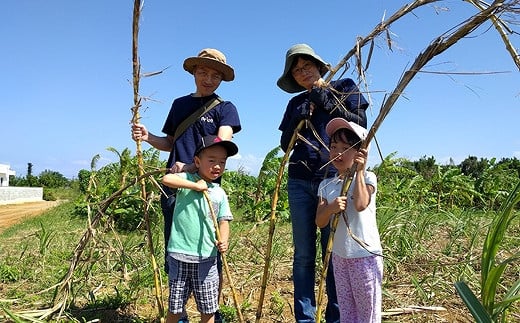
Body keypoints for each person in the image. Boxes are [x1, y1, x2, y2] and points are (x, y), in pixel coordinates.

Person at [132, 48, 241, 323]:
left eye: (215, 75)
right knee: (176, 248)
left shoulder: (225, 108)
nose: (208, 78)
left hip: (207, 191)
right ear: (194, 72)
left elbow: (221, 143)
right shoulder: (179, 105)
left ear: (221, 80)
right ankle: (178, 314)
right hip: (174, 187)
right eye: (203, 72)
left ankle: (209, 312)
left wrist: (193, 168)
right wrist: (148, 137)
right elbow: (170, 143)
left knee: (210, 251)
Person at [277, 43, 368, 323]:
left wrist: (322, 97)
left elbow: (360, 124)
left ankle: (337, 316)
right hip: (301, 180)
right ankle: (305, 318)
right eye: (297, 70)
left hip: (333, 180)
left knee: (334, 251)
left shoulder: (345, 86)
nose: (303, 73)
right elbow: (285, 144)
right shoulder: (295, 103)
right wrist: (299, 117)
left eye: (307, 66)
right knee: (304, 254)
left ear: (318, 65)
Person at [162, 135, 238, 323]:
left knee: (209, 308)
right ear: (197, 161)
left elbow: (224, 221)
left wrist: (224, 240)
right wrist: (194, 185)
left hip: (207, 259)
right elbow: (167, 178)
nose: (217, 166)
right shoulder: (186, 180)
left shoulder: (219, 193)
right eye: (211, 160)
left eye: (222, 162)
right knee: (175, 307)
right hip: (179, 255)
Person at [316, 118, 382, 323]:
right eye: (334, 147)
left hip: (365, 255)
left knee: (367, 312)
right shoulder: (326, 186)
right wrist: (330, 208)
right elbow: (320, 221)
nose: (337, 153)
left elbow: (361, 204)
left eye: (345, 148)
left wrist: (360, 172)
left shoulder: (368, 178)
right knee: (346, 311)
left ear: (360, 153)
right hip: (339, 256)